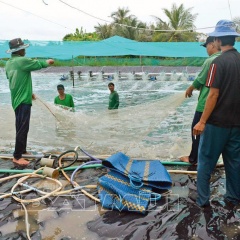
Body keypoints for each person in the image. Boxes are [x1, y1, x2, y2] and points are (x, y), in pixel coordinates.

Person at [193, 20, 240, 207]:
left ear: (218, 40)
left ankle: (202, 201)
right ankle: (233, 198)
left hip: (216, 124)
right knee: (235, 163)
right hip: (236, 124)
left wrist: (202, 121)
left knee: (205, 161)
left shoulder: (217, 63)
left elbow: (213, 94)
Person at [5, 38, 54, 167]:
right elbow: (39, 64)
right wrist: (49, 61)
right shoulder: (22, 61)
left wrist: (29, 92)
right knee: (23, 127)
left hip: (16, 99)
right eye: (23, 48)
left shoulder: (9, 63)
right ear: (19, 50)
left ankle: (22, 150)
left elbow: (15, 80)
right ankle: (17, 156)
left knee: (20, 126)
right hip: (22, 101)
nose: (25, 50)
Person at [179, 37, 221, 164]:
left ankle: (193, 159)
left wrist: (190, 88)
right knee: (213, 134)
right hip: (219, 105)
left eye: (206, 46)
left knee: (196, 130)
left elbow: (201, 79)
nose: (206, 50)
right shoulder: (227, 59)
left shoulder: (211, 60)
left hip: (205, 103)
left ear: (212, 44)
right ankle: (210, 158)